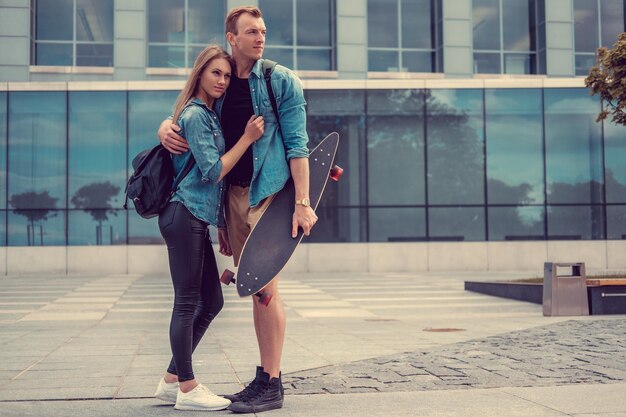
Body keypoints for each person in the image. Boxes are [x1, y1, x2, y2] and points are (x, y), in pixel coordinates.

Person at [158, 6, 318, 414]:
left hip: (269, 193)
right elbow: (195, 112)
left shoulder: (279, 79)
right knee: (250, 286)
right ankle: (262, 377)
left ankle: (272, 382)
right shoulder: (223, 79)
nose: (260, 37)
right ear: (232, 37)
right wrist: (166, 125)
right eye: (251, 31)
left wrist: (302, 203)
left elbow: (298, 145)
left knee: (265, 288)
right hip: (232, 197)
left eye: (263, 31)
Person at [154, 44, 265, 411]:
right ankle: (188, 388)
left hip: (194, 218)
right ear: (200, 73)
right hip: (182, 215)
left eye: (227, 75)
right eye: (215, 72)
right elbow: (213, 171)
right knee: (186, 303)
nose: (222, 80)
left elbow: (211, 185)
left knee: (212, 301)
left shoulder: (208, 115)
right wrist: (247, 139)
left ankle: (171, 380)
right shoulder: (197, 115)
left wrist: (219, 225)